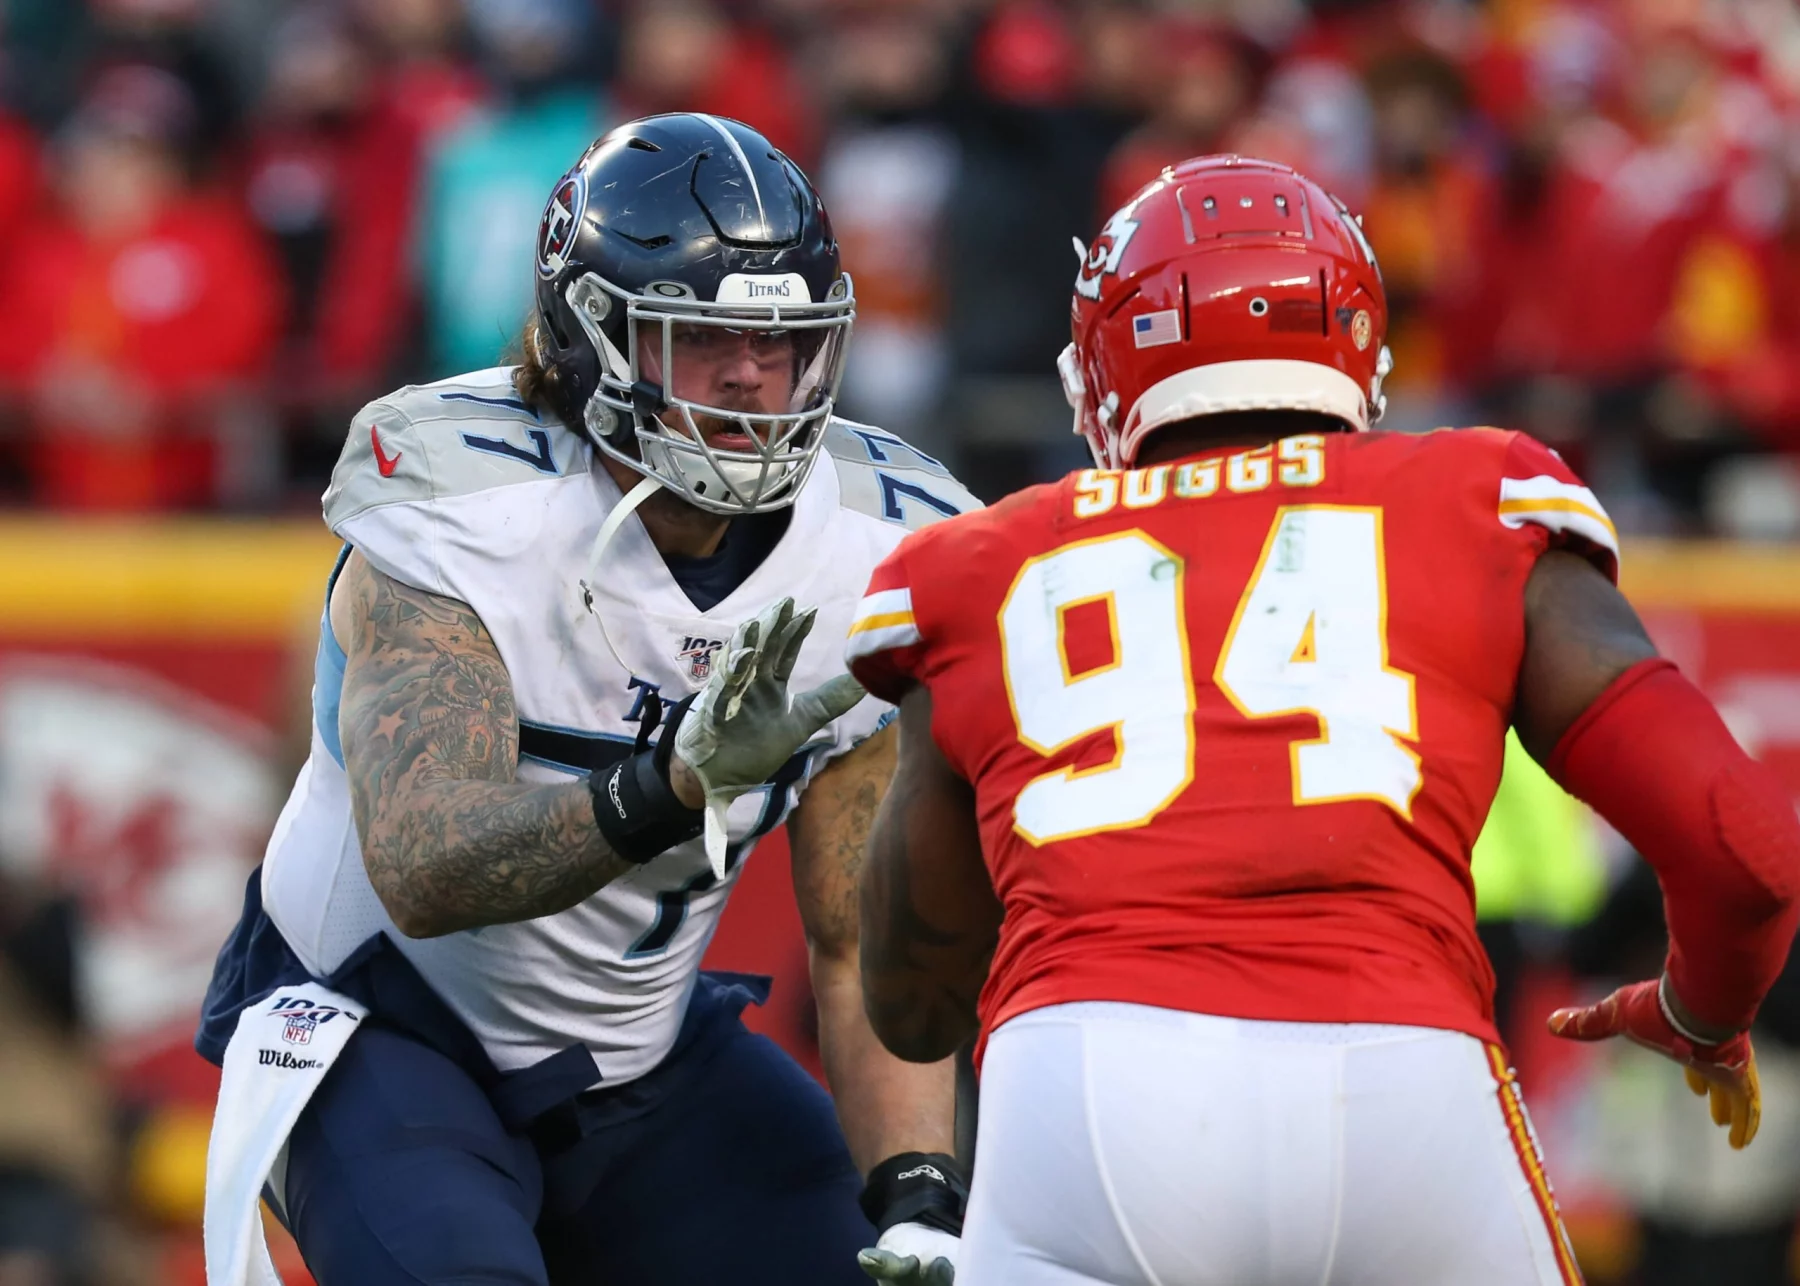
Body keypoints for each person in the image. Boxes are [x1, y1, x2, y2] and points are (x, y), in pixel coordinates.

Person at [844, 155, 1800, 1285]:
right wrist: (1700, 1004)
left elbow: (910, 1000)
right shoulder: (1472, 497)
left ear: (1105, 363)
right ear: (1357, 344)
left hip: (1093, 1096)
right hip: (1405, 1085)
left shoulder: (980, 565)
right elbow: (1747, 849)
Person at [196, 114, 979, 1286]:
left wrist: (917, 1194)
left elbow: (857, 934)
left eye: (783, 340)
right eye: (698, 336)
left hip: (641, 1060)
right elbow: (427, 865)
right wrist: (670, 786)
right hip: (381, 1022)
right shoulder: (463, 497)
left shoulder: (875, 537)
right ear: (588, 336)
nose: (752, 376)